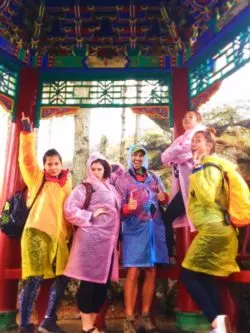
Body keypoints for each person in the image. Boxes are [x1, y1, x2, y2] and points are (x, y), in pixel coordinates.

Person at [180, 129, 239, 333]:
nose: (193, 144)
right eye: (192, 141)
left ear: (209, 146)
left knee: (187, 275)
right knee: (204, 276)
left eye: (198, 141)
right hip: (215, 228)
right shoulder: (207, 165)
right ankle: (220, 322)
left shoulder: (210, 165)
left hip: (214, 230)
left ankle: (215, 321)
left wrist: (196, 168)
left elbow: (206, 197)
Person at [18, 113, 72, 333]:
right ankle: (24, 324)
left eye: (56, 163)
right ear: (44, 165)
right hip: (37, 233)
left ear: (61, 163)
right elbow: (27, 159)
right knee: (34, 278)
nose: (53, 167)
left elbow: (69, 210)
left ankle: (49, 319)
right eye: (49, 163)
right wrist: (27, 132)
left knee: (64, 276)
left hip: (59, 237)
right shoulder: (37, 177)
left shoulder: (66, 183)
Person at [63, 153, 121, 333]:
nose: (96, 172)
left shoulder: (111, 187)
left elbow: (120, 170)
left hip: (108, 244)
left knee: (102, 285)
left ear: (105, 170)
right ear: (89, 169)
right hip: (90, 241)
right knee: (89, 283)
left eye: (100, 168)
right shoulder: (84, 188)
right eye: (93, 168)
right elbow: (69, 209)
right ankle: (87, 327)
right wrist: (90, 215)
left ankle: (92, 325)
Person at [115, 144, 169, 333]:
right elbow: (118, 209)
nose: (137, 159)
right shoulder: (122, 180)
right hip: (133, 230)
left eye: (141, 155)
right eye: (135, 155)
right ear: (130, 157)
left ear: (144, 158)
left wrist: (164, 198)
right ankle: (129, 319)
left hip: (154, 229)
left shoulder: (154, 177)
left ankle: (146, 317)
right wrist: (128, 207)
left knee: (151, 271)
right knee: (133, 272)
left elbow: (164, 198)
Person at [161, 110, 206, 258]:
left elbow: (184, 154)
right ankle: (171, 253)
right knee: (170, 217)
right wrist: (175, 153)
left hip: (196, 185)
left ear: (198, 119)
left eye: (190, 117)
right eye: (184, 117)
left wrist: (174, 154)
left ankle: (168, 254)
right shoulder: (181, 138)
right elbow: (164, 157)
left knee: (172, 217)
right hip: (185, 186)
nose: (186, 119)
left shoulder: (200, 133)